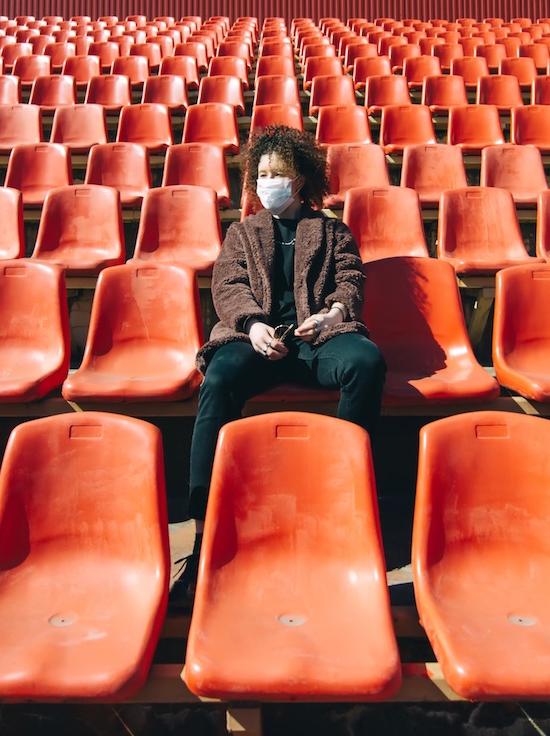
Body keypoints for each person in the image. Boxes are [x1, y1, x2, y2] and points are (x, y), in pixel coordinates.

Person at [179, 124, 387, 590]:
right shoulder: (242, 231)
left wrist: (334, 316)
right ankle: (202, 529)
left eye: (281, 173)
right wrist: (252, 325)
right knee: (218, 378)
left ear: (302, 178)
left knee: (366, 363)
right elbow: (227, 287)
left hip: (317, 341)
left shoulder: (333, 231)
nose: (271, 181)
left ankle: (344, 500)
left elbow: (350, 281)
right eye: (265, 172)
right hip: (256, 341)